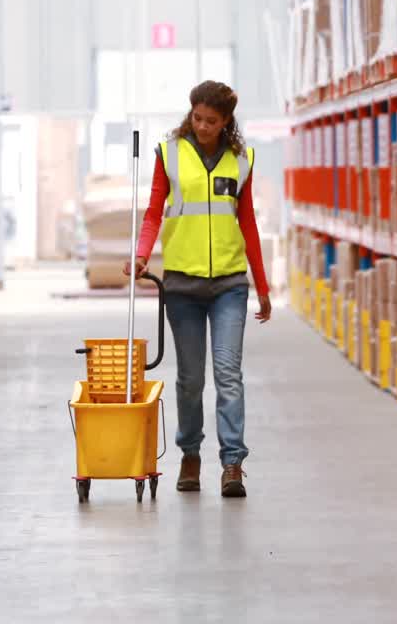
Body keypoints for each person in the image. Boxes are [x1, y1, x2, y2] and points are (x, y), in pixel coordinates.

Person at [124, 80, 271, 498]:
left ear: (226, 122)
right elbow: (154, 212)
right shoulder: (169, 155)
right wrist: (141, 254)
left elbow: (249, 225)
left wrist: (262, 285)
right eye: (197, 117)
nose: (202, 126)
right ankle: (190, 455)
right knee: (190, 379)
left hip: (229, 284)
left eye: (211, 120)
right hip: (183, 286)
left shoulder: (241, 161)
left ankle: (232, 464)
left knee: (228, 375)